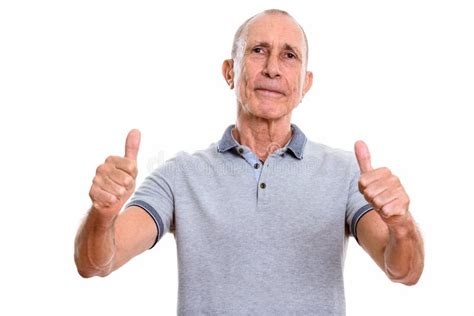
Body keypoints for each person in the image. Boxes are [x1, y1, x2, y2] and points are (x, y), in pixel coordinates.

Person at [74, 9, 424, 315]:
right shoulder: (179, 176)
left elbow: (404, 272)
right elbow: (96, 262)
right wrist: (102, 217)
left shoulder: (346, 173)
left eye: (289, 56)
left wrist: (402, 225)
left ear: (306, 84)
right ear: (230, 72)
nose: (272, 68)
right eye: (258, 51)